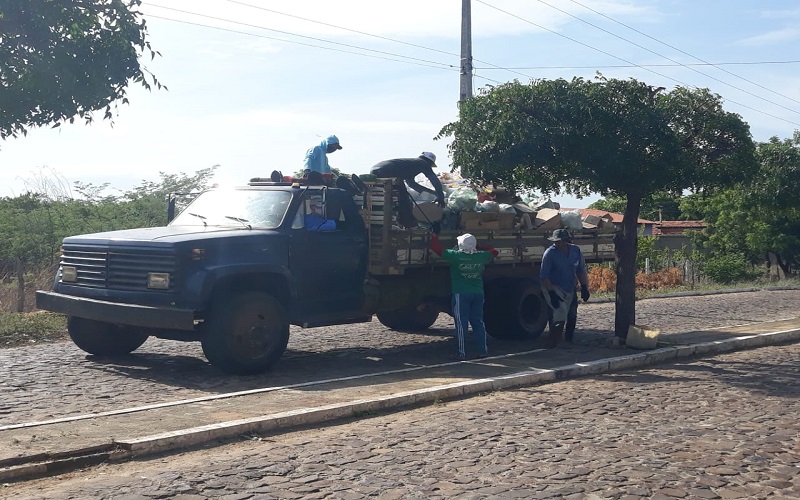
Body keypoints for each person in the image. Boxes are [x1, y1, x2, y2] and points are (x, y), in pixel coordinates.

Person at [430, 232, 498, 361]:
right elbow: (494, 251)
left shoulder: (455, 256)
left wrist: (434, 236)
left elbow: (437, 248)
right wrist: (478, 247)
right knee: (478, 322)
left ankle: (462, 352)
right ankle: (483, 350)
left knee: (461, 324)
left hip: (461, 293)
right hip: (478, 292)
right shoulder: (481, 257)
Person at [539, 228, 591, 348]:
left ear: (565, 241)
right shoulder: (550, 253)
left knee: (572, 313)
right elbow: (544, 276)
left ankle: (569, 339)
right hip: (553, 286)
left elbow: (581, 270)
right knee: (560, 310)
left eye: (559, 241)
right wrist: (551, 293)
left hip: (570, 286)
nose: (557, 243)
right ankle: (554, 340)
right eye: (555, 241)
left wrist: (584, 287)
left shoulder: (575, 251)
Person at [370, 152, 446, 229]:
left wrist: (433, 193)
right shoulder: (423, 163)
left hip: (375, 169)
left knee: (379, 196)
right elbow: (434, 179)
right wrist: (441, 195)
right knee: (404, 199)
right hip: (387, 170)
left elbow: (412, 185)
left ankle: (377, 220)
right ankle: (409, 224)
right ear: (430, 162)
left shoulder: (410, 166)